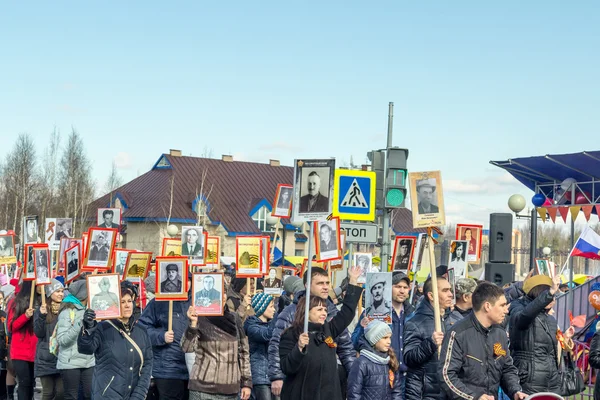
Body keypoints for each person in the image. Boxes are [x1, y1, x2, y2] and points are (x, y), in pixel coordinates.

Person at [268, 267, 356, 398]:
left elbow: (346, 343)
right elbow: (277, 348)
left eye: (327, 283)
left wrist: (353, 280)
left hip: (328, 390)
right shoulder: (291, 322)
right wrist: (277, 376)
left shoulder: (329, 326)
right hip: (303, 389)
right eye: (320, 283)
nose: (326, 287)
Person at [439, 282, 527, 400]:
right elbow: (446, 376)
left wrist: (515, 390)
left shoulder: (500, 333)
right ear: (487, 306)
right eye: (502, 305)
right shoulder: (458, 333)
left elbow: (507, 368)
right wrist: (474, 397)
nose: (506, 310)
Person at [78, 282, 153, 399]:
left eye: (129, 301)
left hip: (134, 395)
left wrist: (139, 395)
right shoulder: (102, 328)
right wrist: (88, 328)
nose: (127, 305)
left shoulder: (141, 331)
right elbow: (85, 348)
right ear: (114, 305)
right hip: (106, 395)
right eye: (122, 302)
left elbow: (147, 365)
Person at [508, 274, 573, 395]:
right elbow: (524, 317)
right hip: (528, 378)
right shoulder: (518, 308)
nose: (552, 300)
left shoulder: (550, 319)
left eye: (553, 296)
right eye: (549, 295)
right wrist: (549, 293)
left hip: (551, 380)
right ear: (537, 294)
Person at [352, 272, 413, 396]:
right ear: (388, 288)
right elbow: (355, 342)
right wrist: (363, 328)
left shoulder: (412, 314)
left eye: (405, 287)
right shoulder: (375, 312)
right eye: (397, 286)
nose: (402, 291)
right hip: (384, 374)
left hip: (408, 377)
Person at [182, 293, 252, 400]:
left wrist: (246, 382)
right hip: (202, 388)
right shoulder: (199, 317)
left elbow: (243, 352)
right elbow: (186, 348)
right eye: (219, 292)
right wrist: (193, 324)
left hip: (230, 389)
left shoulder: (234, 318)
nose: (223, 296)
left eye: (224, 292)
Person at [138, 272, 192, 400]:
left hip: (193, 369)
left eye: (189, 280)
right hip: (167, 370)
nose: (186, 283)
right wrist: (161, 336)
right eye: (183, 279)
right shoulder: (158, 302)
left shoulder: (198, 301)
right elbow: (142, 329)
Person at [404, 275, 453, 400]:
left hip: (450, 392)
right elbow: (409, 358)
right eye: (445, 290)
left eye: (450, 290)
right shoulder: (415, 323)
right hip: (425, 393)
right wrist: (430, 343)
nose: (451, 294)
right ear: (431, 296)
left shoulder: (454, 321)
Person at [56, 279, 95, 400]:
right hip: (70, 363)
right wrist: (80, 324)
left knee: (90, 395)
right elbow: (62, 340)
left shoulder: (91, 310)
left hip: (89, 362)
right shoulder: (67, 312)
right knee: (71, 396)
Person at [347, 320, 402, 400]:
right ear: (374, 339)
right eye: (385, 338)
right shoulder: (361, 363)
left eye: (389, 337)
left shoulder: (390, 360)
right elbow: (354, 394)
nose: (389, 342)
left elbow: (396, 391)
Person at [7, 281, 41, 400]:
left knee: (31, 383)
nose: (42, 287)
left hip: (35, 350)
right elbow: (11, 326)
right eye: (38, 285)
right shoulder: (15, 302)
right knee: (24, 382)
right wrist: (25, 316)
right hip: (20, 351)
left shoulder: (43, 302)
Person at [33, 279, 64, 400]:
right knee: (48, 393)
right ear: (50, 293)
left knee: (61, 392)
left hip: (61, 357)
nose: (61, 294)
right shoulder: (42, 309)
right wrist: (41, 315)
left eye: (62, 291)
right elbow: (38, 333)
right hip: (46, 357)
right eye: (57, 291)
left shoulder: (65, 309)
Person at [244, 293, 278, 400]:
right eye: (271, 307)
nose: (274, 310)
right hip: (260, 377)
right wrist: (279, 317)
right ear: (262, 308)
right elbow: (267, 335)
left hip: (273, 376)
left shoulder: (270, 324)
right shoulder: (251, 326)